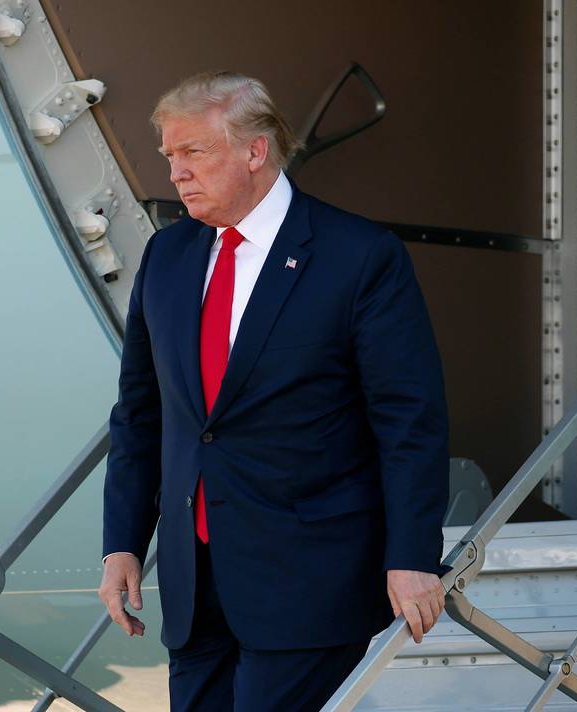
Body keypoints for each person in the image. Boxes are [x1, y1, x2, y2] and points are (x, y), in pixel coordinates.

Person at [98, 71, 451, 711]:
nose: (175, 173)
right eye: (169, 156)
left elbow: (409, 420)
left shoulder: (357, 254)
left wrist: (412, 556)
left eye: (193, 152)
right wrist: (123, 541)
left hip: (308, 580)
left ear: (255, 150)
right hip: (194, 581)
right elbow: (142, 413)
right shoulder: (169, 255)